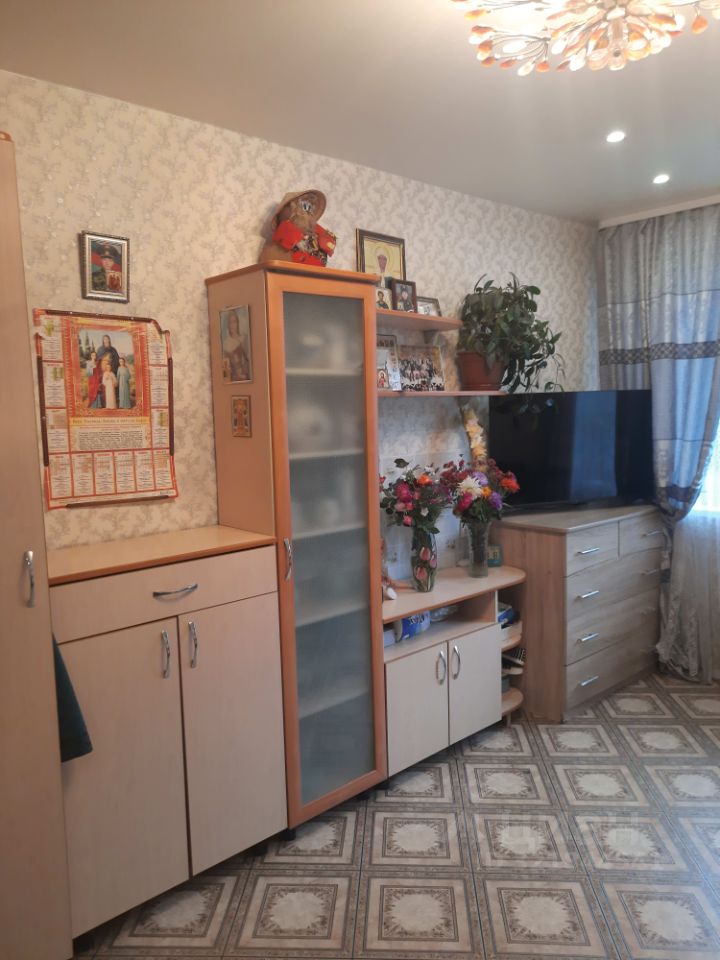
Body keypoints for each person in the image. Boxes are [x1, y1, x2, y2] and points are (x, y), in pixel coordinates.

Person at [222, 310, 250, 381]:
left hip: (246, 378)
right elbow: (225, 369)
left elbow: (249, 360)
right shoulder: (226, 344)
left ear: (237, 323)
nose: (232, 325)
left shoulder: (244, 338)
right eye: (230, 323)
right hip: (234, 380)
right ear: (228, 325)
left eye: (234, 322)